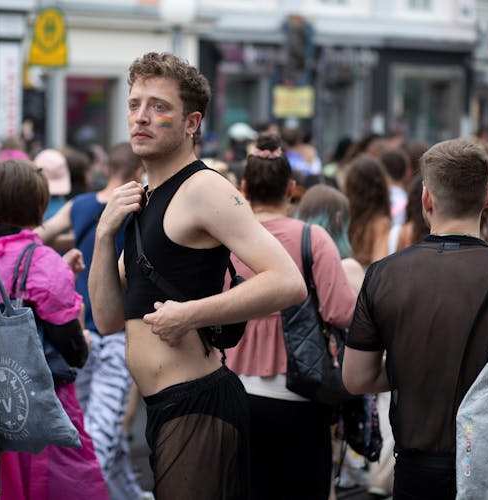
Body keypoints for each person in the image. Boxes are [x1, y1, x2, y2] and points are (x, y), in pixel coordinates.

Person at [89, 52, 305, 499]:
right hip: (165, 406)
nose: (142, 117)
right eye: (134, 104)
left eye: (159, 107)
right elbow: (108, 319)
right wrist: (103, 237)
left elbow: (287, 281)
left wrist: (191, 314)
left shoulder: (204, 188)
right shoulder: (145, 197)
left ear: (191, 123)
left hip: (198, 403)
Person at [342, 138, 488, 500]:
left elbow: (356, 378)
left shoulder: (382, 275)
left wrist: (406, 370)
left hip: (415, 468)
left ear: (427, 198)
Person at [224, 133, 356, 500]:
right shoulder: (312, 239)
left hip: (233, 391)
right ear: (292, 188)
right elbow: (341, 312)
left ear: (244, 187)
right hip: (301, 390)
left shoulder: (225, 239)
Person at [0, 158, 108, 500]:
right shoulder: (42, 262)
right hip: (42, 402)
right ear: (38, 206)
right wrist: (84, 339)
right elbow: (70, 345)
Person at [37, 142, 147, 500]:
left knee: (93, 430)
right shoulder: (137, 206)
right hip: (116, 331)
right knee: (100, 436)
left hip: (78, 328)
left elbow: (39, 236)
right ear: (136, 174)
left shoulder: (81, 205)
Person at [343, 155, 392, 268]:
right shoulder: (381, 223)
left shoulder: (343, 218)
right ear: (381, 188)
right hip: (366, 281)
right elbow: (378, 265)